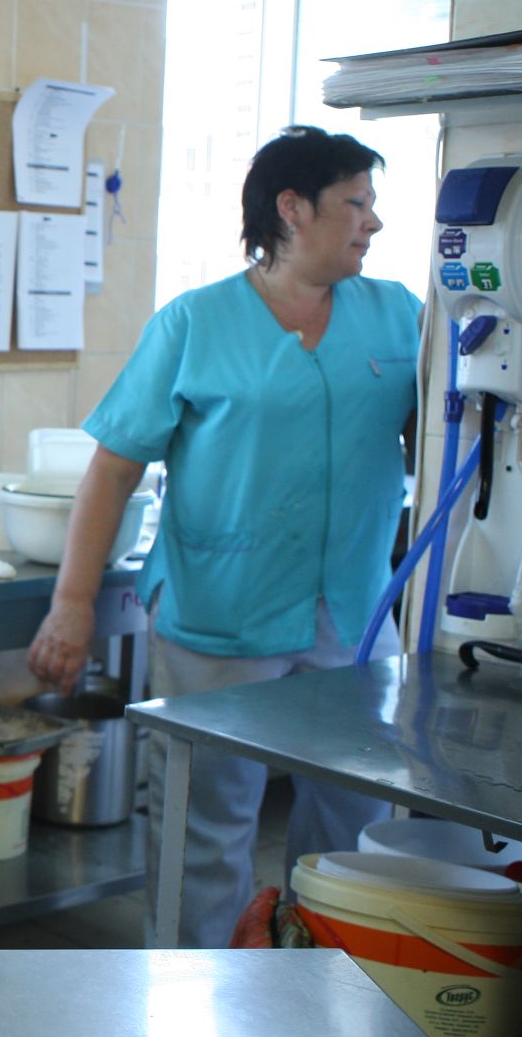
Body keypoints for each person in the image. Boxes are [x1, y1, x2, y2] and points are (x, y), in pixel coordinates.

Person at [26, 125, 420, 949]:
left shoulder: (398, 318)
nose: (372, 223)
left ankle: (326, 981)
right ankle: (188, 996)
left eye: (372, 205)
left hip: (353, 610)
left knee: (355, 814)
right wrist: (71, 603)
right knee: (208, 821)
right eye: (356, 203)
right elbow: (112, 470)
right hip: (222, 609)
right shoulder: (196, 323)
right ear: (292, 209)